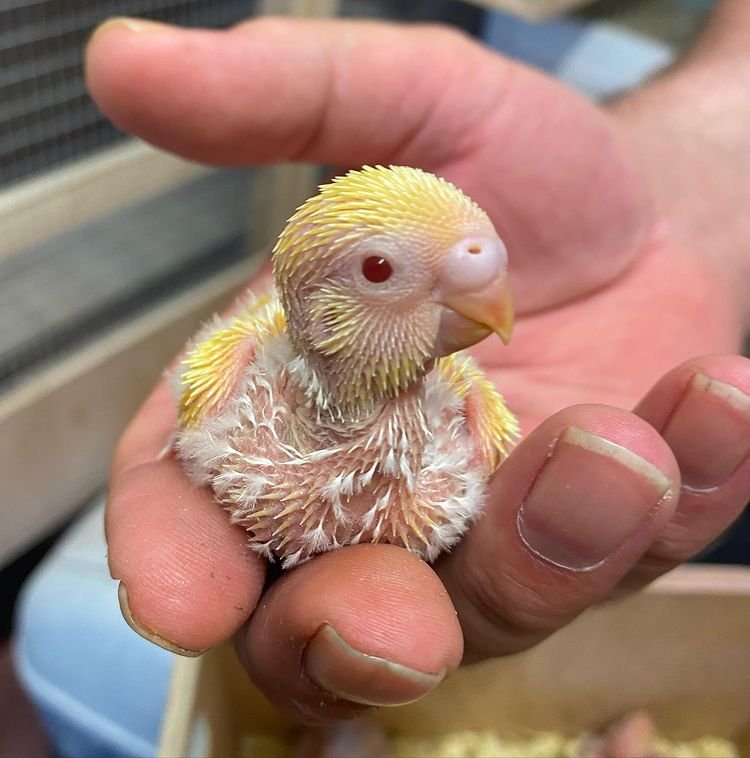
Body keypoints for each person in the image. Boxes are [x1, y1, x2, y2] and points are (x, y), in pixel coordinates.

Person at [86, 1, 750, 724]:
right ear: (315, 302)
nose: (483, 292)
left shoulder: (465, 409)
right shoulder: (239, 367)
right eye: (379, 270)